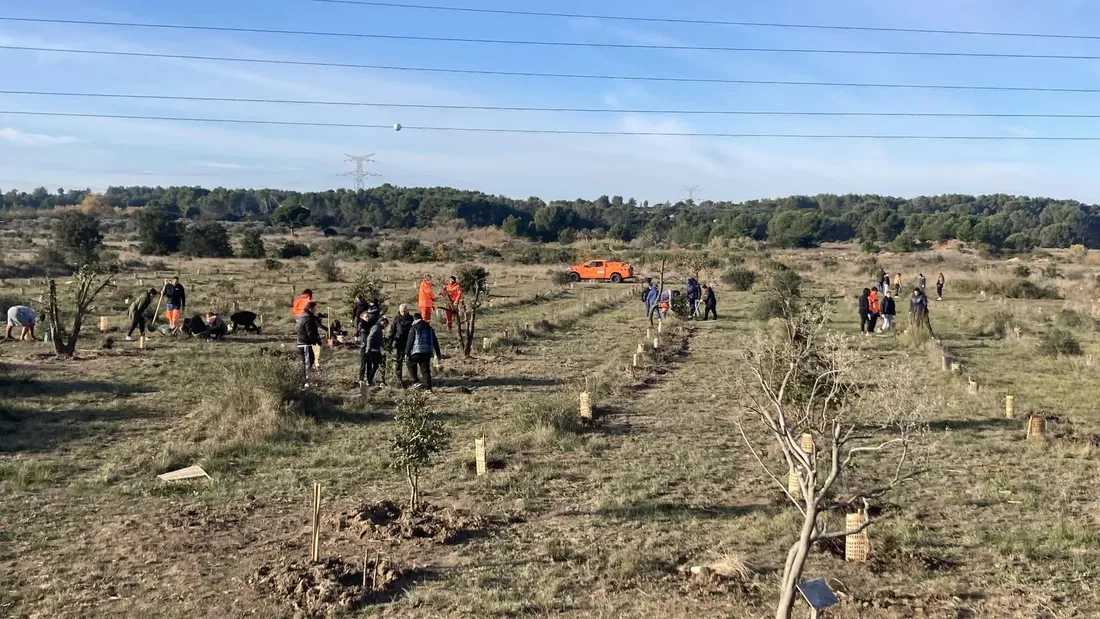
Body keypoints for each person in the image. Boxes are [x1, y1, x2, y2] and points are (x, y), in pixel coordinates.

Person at [406, 312, 443, 390]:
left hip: (417, 351)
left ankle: (416, 381)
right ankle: (428, 387)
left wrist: (407, 352)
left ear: (414, 319)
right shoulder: (429, 328)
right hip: (427, 352)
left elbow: (410, 341)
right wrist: (438, 353)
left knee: (410, 363)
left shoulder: (414, 327)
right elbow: (435, 341)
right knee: (425, 369)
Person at [388, 303, 415, 386]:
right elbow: (392, 331)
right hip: (399, 342)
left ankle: (415, 379)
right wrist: (390, 342)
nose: (403, 312)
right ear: (399, 311)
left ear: (407, 311)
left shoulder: (411, 319)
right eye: (402, 311)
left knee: (410, 361)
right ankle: (398, 379)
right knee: (399, 361)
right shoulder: (396, 319)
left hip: (409, 343)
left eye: (404, 311)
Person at [297, 301, 323, 384]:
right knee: (307, 363)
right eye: (314, 308)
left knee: (308, 362)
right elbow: (311, 333)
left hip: (304, 343)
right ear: (310, 309)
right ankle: (306, 382)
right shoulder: (308, 319)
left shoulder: (304, 317)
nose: (316, 310)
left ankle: (306, 380)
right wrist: (317, 342)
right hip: (305, 344)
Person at [359, 313, 387, 387]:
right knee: (375, 365)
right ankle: (367, 380)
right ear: (382, 322)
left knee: (373, 365)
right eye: (385, 325)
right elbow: (369, 338)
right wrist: (368, 349)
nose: (385, 327)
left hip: (374, 349)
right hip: (372, 349)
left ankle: (369, 380)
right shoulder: (376, 328)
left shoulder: (377, 327)